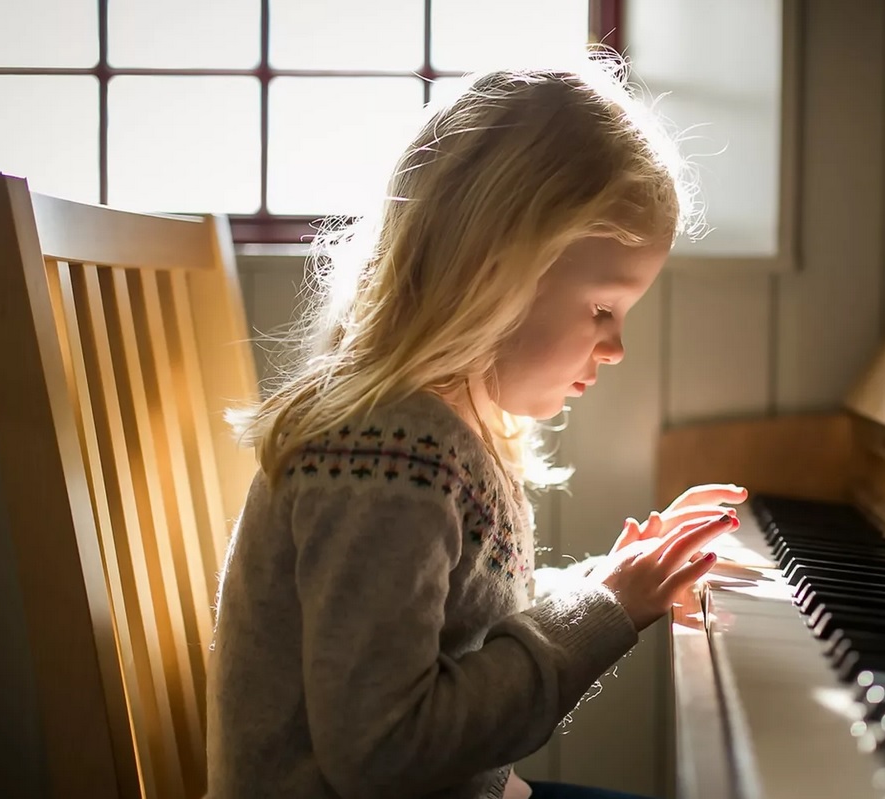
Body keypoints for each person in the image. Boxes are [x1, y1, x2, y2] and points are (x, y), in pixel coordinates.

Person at [206, 53, 747, 799]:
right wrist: (607, 609)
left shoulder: (424, 436)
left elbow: (461, 626)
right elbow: (382, 751)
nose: (616, 347)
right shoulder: (386, 451)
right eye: (602, 309)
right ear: (490, 271)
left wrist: (605, 580)